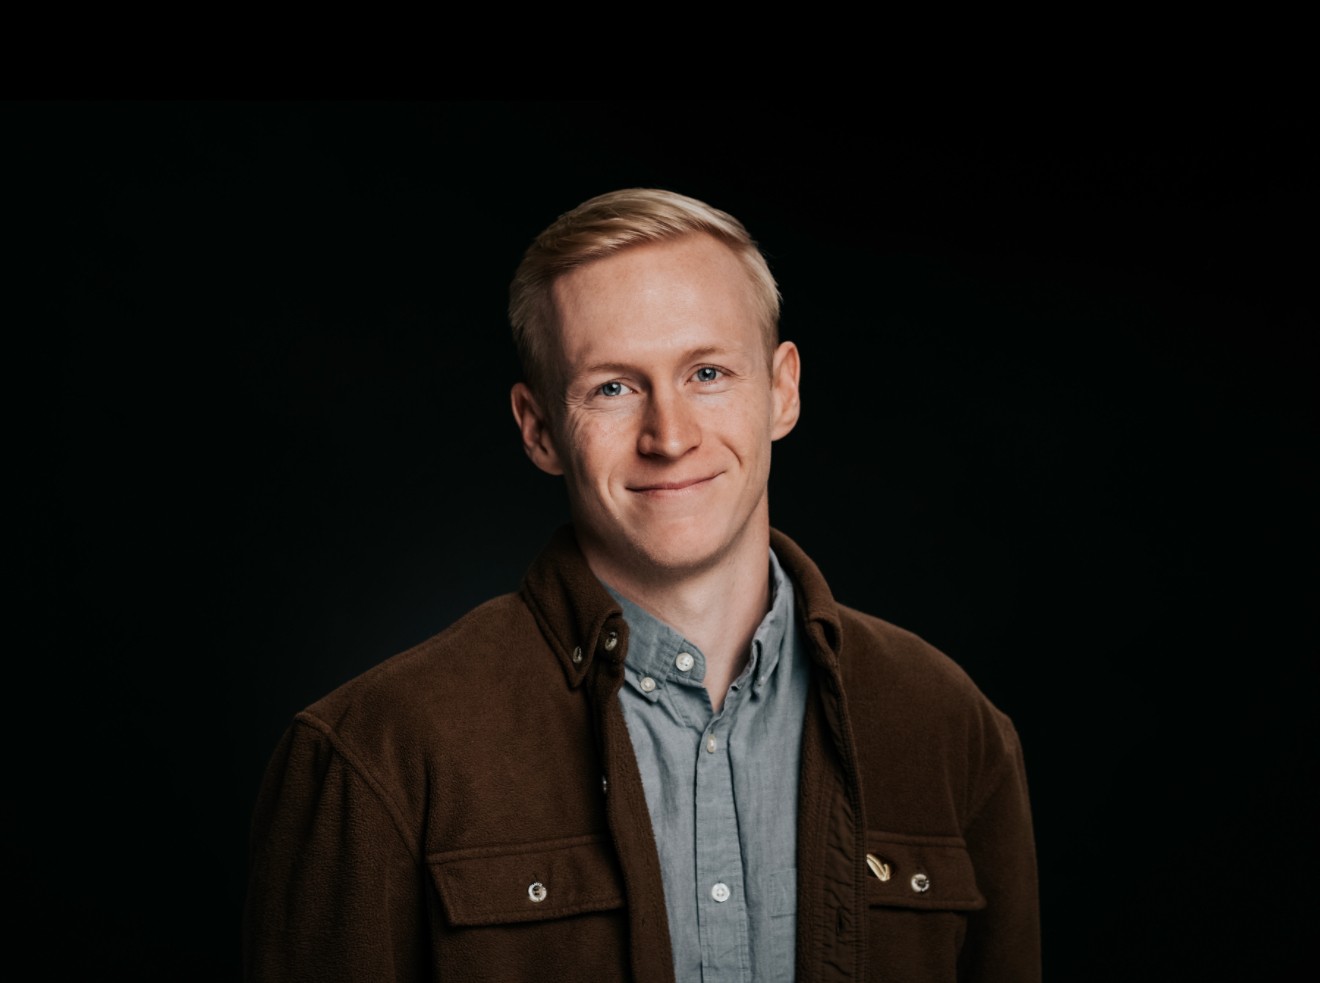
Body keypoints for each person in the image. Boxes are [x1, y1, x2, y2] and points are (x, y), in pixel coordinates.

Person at [243, 189, 1041, 982]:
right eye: (613, 388)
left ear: (783, 389)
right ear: (539, 428)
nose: (670, 435)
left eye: (707, 371)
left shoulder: (951, 729)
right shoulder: (377, 754)